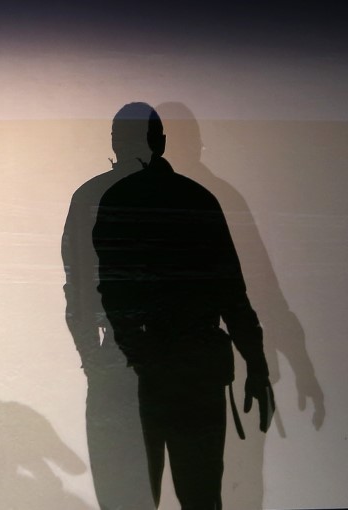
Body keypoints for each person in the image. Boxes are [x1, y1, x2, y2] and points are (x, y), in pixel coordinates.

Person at [91, 102, 275, 509]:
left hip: (138, 376)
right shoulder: (199, 199)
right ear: (163, 143)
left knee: (135, 499)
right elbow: (233, 293)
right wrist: (256, 363)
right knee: (201, 497)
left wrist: (132, 358)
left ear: (116, 144)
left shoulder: (113, 200)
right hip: (197, 372)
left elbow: (111, 293)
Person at [62, 104, 154, 509]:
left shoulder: (87, 196)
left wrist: (90, 357)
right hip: (170, 356)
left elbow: (74, 287)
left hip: (112, 355)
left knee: (117, 485)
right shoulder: (180, 196)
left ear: (114, 141)